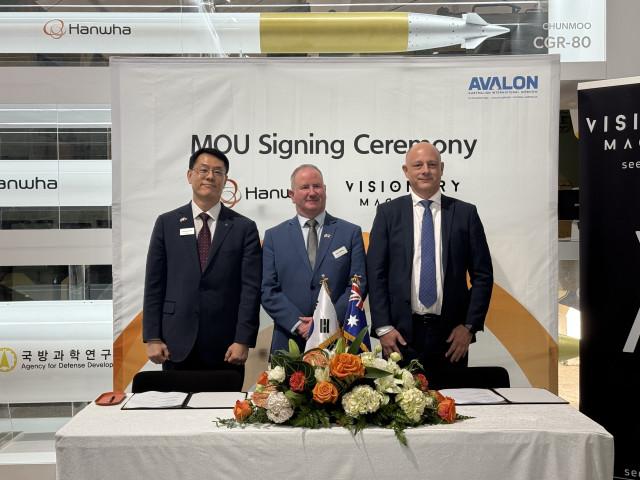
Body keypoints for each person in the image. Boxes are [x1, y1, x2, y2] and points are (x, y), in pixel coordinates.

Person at [367, 142, 493, 374]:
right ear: (406, 171)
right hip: (399, 337)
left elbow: (483, 276)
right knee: (400, 398)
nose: (425, 170)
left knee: (450, 397)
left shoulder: (465, 214)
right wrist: (383, 328)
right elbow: (376, 275)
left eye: (432, 164)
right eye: (418, 165)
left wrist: (469, 327)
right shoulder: (388, 214)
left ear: (441, 169)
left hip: (452, 339)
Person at [142, 147, 261, 380]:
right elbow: (154, 283)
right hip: (175, 343)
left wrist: (243, 339)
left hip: (226, 346)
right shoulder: (167, 223)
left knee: (225, 404)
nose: (210, 177)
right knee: (176, 403)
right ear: (190, 176)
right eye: (203, 170)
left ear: (225, 180)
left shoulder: (244, 228)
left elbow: (251, 289)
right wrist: (152, 337)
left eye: (218, 172)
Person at [262, 164, 367, 353]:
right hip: (289, 340)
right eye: (304, 187)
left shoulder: (350, 233)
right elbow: (267, 289)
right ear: (291, 194)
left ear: (324, 190)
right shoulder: (273, 237)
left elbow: (357, 284)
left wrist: (324, 321)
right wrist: (298, 324)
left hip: (338, 341)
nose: (312, 192)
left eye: (317, 186)